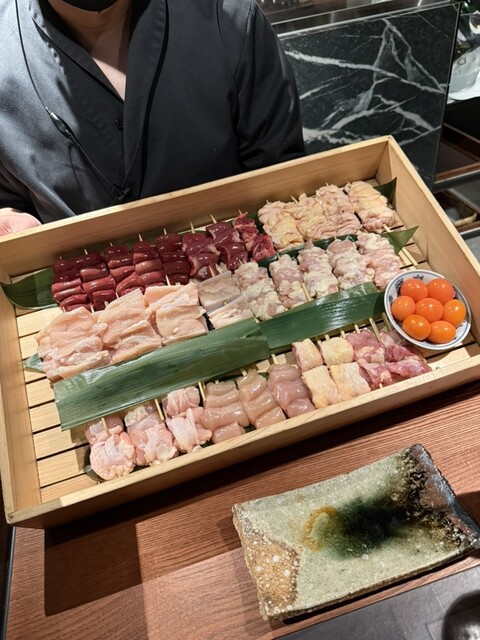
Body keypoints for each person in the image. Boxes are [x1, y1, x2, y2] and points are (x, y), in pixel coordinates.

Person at [0, 0, 305, 235]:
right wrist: (11, 218)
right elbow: (8, 202)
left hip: (234, 279)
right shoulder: (7, 50)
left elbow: (280, 178)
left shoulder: (227, 16)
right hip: (81, 291)